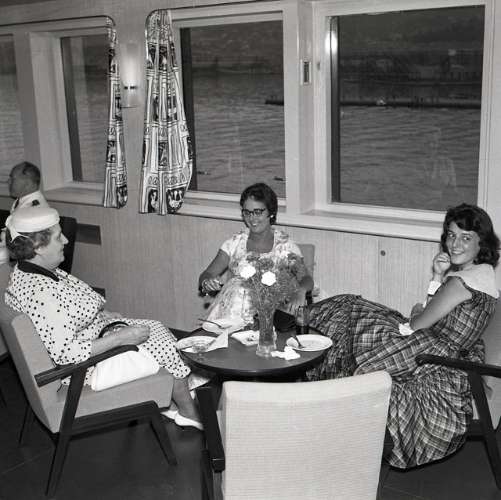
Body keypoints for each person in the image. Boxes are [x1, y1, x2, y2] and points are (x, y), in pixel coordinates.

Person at [306, 203, 500, 469]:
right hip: (446, 350)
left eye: (466, 238)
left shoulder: (460, 283)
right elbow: (432, 315)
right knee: (359, 322)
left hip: (432, 356)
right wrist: (437, 278)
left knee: (351, 310)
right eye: (451, 235)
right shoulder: (483, 276)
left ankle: (299, 334)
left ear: (482, 243)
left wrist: (433, 288)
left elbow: (419, 321)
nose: (455, 244)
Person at [4, 207, 202, 431]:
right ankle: (188, 412)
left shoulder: (27, 271)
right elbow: (66, 354)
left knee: (154, 327)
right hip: (82, 372)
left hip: (87, 340)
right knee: (166, 347)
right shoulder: (40, 294)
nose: (66, 240)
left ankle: (175, 399)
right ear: (38, 247)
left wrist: (100, 317)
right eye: (58, 237)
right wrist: (120, 338)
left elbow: (58, 318)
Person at [198, 182, 314, 324]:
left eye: (258, 212)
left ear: (271, 212)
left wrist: (300, 291)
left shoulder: (285, 246)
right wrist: (207, 282)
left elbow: (306, 278)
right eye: (247, 212)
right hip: (230, 315)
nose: (252, 218)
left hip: (269, 318)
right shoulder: (234, 243)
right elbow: (207, 274)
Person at [0, 162, 49, 266]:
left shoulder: (35, 209)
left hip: (22, 262)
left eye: (12, 178)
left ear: (27, 183)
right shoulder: (21, 201)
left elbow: (26, 250)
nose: (8, 182)